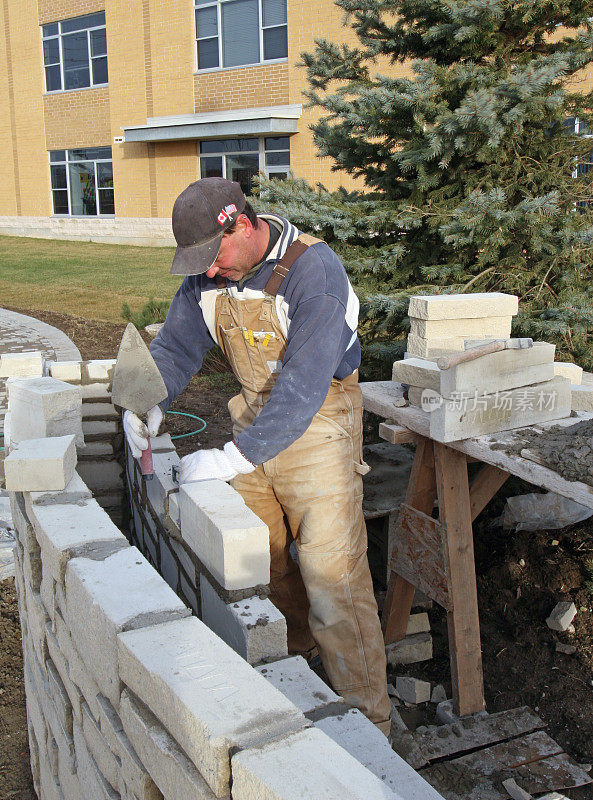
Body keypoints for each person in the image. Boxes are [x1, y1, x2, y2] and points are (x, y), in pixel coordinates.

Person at [123, 177, 391, 735]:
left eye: (213, 255)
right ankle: (294, 681)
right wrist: (146, 399)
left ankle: (369, 728)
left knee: (332, 579)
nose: (210, 271)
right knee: (265, 568)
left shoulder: (314, 273)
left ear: (241, 224)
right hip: (253, 424)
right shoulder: (208, 278)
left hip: (318, 428)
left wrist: (228, 460)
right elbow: (174, 347)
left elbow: (303, 387)